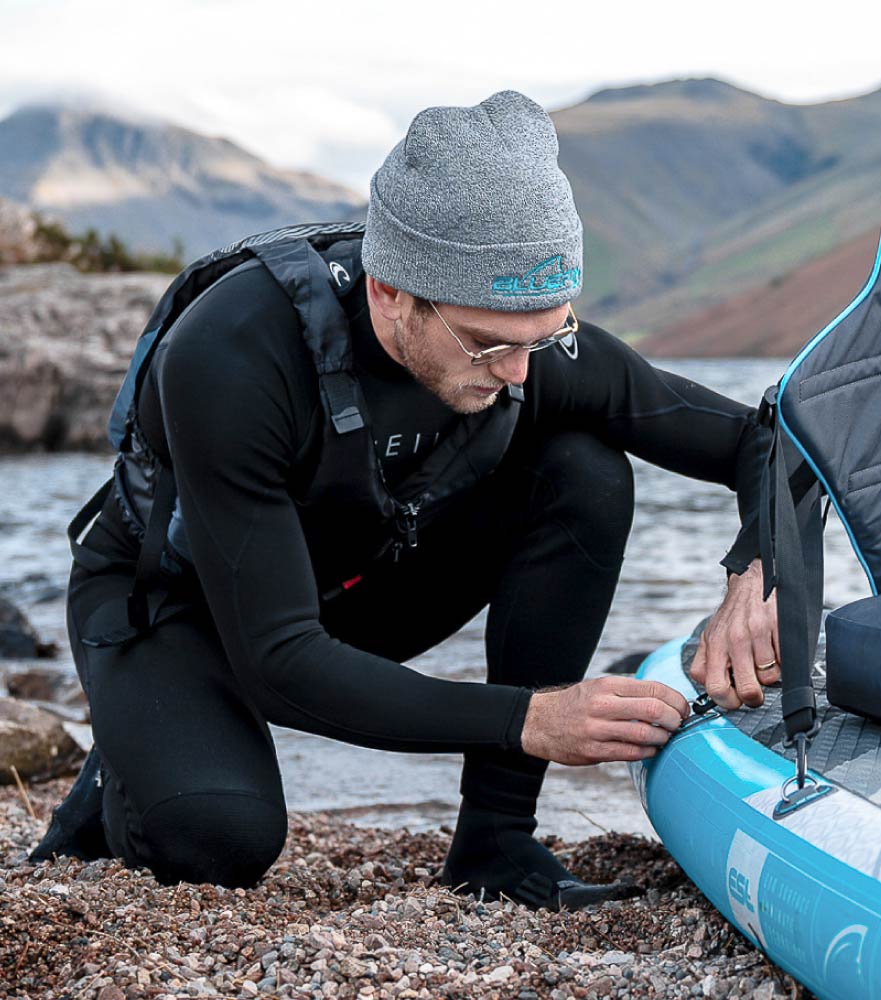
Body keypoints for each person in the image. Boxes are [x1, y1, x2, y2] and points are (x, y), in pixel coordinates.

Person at [28, 91, 780, 909]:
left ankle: (497, 846)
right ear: (391, 292)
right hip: (182, 605)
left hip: (353, 580)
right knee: (219, 838)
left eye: (547, 335)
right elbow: (279, 662)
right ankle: (130, 764)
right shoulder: (235, 353)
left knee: (585, 470)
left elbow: (767, 443)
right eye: (490, 343)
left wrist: (755, 573)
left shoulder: (523, 343)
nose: (521, 373)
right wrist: (528, 718)